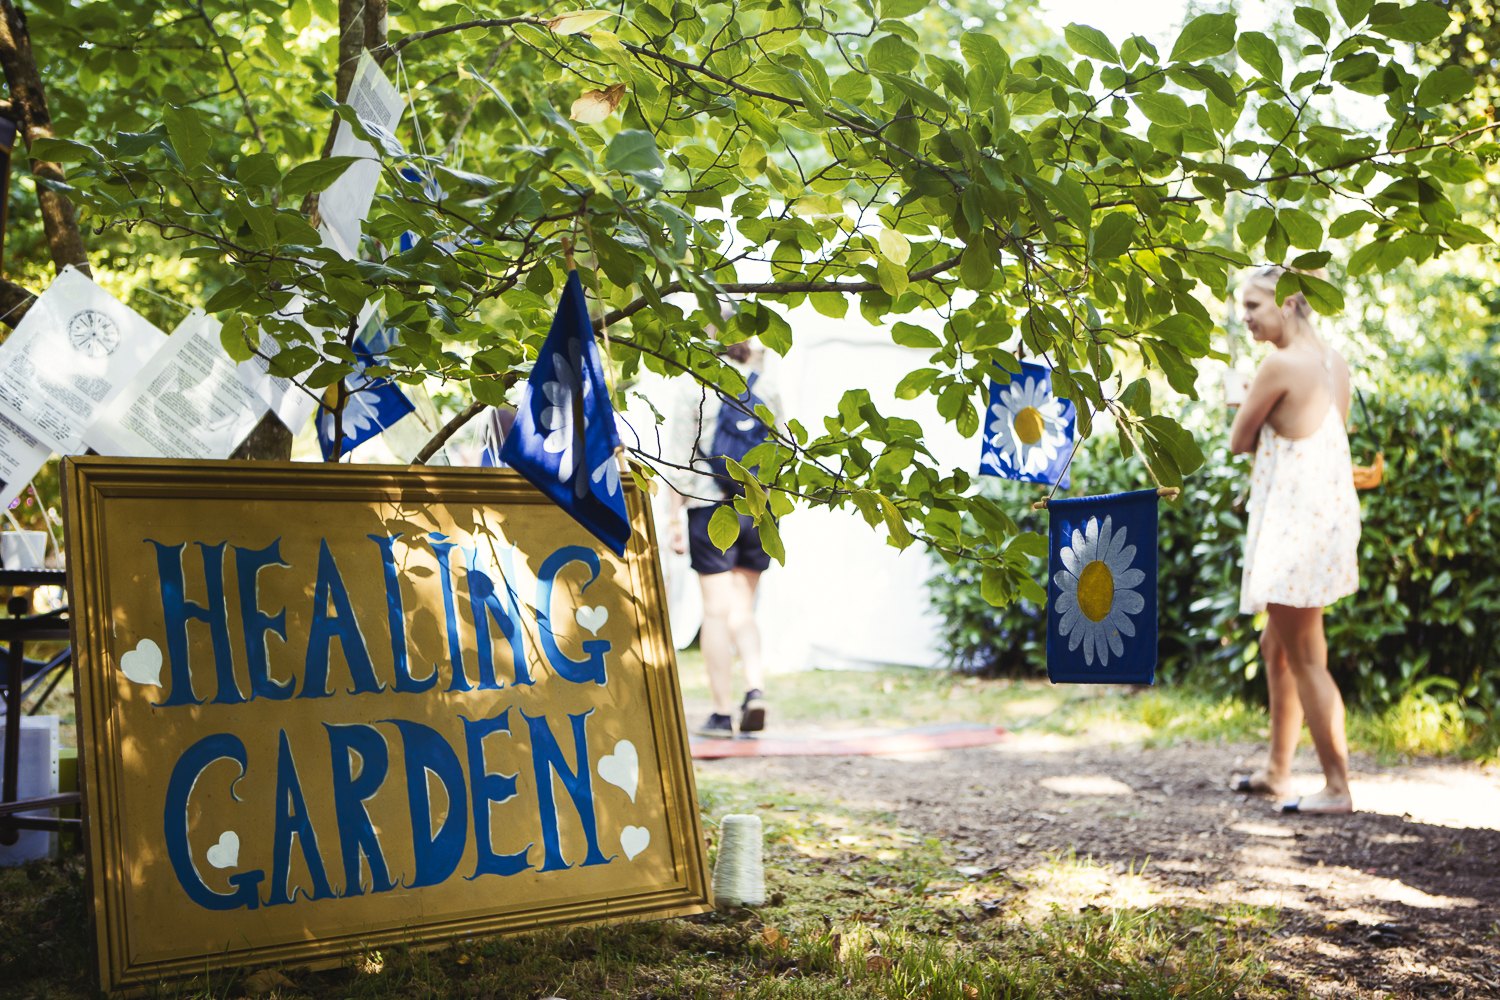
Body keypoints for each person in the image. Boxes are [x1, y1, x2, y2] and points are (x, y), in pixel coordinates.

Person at [1228, 266, 1361, 815]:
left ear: (1286, 302)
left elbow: (1239, 441)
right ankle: (1278, 771)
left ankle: (1337, 788)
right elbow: (1334, 439)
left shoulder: (1279, 364)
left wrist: (1233, 396)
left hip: (1292, 527)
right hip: (1326, 521)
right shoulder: (1335, 363)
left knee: (1306, 657)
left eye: (1254, 306)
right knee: (1278, 648)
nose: (1247, 318)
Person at [665, 340, 781, 738]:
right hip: (758, 509)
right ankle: (754, 689)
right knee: (742, 610)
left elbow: (680, 459)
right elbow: (782, 451)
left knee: (715, 611)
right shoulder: (765, 387)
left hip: (710, 506)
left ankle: (720, 714)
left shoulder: (692, 387)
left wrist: (673, 517)